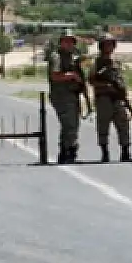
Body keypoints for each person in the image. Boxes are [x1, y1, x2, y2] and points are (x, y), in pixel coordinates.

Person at [89, 33, 132, 163]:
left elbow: (120, 82)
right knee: (103, 126)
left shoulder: (116, 63)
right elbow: (92, 81)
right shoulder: (97, 63)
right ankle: (105, 153)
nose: (109, 47)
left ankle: (125, 152)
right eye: (106, 44)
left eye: (111, 44)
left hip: (117, 98)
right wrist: (106, 85)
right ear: (101, 46)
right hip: (103, 98)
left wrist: (124, 96)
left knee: (123, 125)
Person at [47, 29, 86, 164]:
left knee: (72, 124)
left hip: (71, 96)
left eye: (71, 41)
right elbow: (55, 75)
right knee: (69, 124)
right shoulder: (56, 56)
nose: (69, 44)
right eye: (66, 41)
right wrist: (72, 76)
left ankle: (66, 151)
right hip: (61, 96)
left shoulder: (72, 57)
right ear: (61, 42)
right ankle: (69, 150)